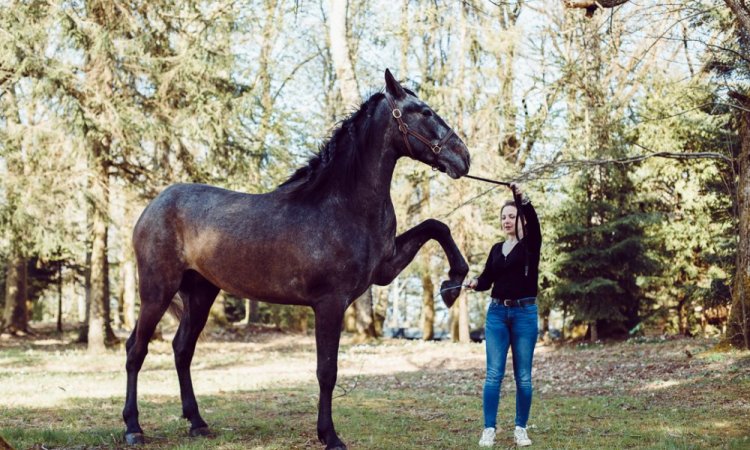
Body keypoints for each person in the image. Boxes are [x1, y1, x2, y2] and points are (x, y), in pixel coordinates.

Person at [467, 183, 541, 448]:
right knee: (493, 375)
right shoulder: (497, 249)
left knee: (523, 376)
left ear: (520, 220)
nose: (506, 221)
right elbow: (488, 278)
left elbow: (533, 222)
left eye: (512, 216)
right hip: (497, 314)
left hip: (524, 314)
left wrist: (522, 199)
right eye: (503, 217)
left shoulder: (531, 246)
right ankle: (489, 429)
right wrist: (476, 282)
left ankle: (520, 428)